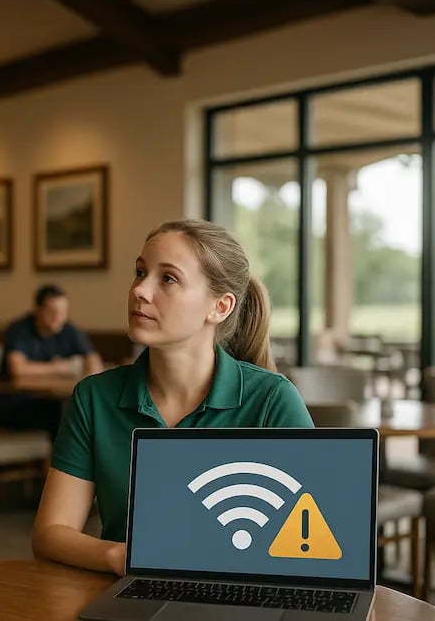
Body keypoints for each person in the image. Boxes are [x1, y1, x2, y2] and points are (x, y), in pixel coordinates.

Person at [31, 219, 314, 576]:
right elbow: (50, 534)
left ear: (220, 307)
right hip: (125, 596)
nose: (140, 291)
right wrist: (121, 557)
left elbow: (313, 544)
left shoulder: (273, 401)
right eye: (140, 272)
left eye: (168, 278)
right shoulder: (94, 397)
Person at [0, 285, 103, 441]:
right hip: (15, 404)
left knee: (83, 411)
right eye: (52, 312)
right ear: (38, 310)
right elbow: (18, 369)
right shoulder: (20, 329)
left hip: (51, 401)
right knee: (66, 415)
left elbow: (93, 361)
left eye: (63, 312)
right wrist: (63, 367)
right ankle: (61, 464)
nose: (59, 317)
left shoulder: (68, 329)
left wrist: (88, 373)